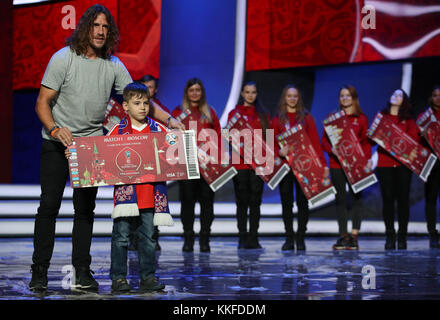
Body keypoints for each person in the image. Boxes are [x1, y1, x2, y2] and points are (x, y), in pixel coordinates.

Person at [29, 4, 183, 292]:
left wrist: (171, 120)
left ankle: (82, 272)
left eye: (105, 27)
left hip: (89, 147)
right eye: (96, 25)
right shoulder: (63, 58)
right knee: (48, 207)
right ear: (85, 28)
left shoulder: (113, 65)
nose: (100, 31)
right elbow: (42, 102)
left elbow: (140, 99)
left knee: (84, 211)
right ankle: (39, 273)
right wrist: (54, 129)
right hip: (56, 142)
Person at [107, 82, 170, 292]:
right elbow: (104, 158)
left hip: (150, 195)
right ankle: (118, 278)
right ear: (125, 106)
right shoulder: (117, 131)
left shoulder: (159, 130)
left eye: (145, 103)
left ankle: (148, 277)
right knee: (121, 237)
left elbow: (172, 155)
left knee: (149, 238)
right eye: (136, 103)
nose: (142, 107)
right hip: (127, 197)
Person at [272, 85, 329, 251]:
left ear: (298, 98)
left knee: (303, 203)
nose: (292, 99)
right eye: (289, 96)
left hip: (304, 166)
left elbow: (315, 143)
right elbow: (270, 145)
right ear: (284, 98)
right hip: (285, 167)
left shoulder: (306, 118)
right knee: (287, 203)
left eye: (295, 96)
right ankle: (289, 238)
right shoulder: (276, 119)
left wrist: (323, 165)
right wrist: (278, 151)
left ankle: (301, 237)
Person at [172, 78, 221, 252]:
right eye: (191, 90)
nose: (195, 93)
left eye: (198, 90)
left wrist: (216, 159)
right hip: (187, 166)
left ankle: (204, 239)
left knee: (207, 204)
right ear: (187, 92)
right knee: (187, 203)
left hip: (208, 167)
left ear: (202, 92)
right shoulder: (178, 112)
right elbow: (172, 138)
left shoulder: (210, 112)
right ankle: (188, 238)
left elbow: (219, 137)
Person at [321, 85, 371, 250]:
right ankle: (343, 235)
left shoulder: (361, 118)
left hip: (356, 165)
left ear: (354, 98)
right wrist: (331, 150)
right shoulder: (332, 117)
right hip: (337, 164)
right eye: (342, 96)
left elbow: (365, 143)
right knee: (341, 200)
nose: (344, 98)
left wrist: (368, 160)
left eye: (348, 95)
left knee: (357, 198)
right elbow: (324, 141)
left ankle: (354, 236)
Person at [228, 81, 270, 249]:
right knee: (241, 202)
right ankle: (242, 237)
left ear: (256, 94)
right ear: (242, 94)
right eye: (247, 92)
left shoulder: (262, 115)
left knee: (255, 202)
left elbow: (268, 139)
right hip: (239, 164)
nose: (250, 95)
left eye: (253, 92)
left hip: (258, 164)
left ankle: (254, 237)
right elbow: (228, 135)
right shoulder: (234, 114)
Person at [375, 89, 418, 250]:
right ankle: (389, 236)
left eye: (400, 95)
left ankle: (402, 236)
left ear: (404, 100)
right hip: (385, 164)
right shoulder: (381, 117)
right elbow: (372, 139)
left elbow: (413, 142)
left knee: (403, 201)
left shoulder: (408, 120)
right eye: (394, 94)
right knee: (387, 200)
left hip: (403, 166)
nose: (395, 96)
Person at [418, 85, 440, 248]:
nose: (437, 98)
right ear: (431, 98)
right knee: (431, 198)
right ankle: (432, 233)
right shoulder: (424, 117)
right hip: (431, 163)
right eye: (435, 95)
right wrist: (422, 135)